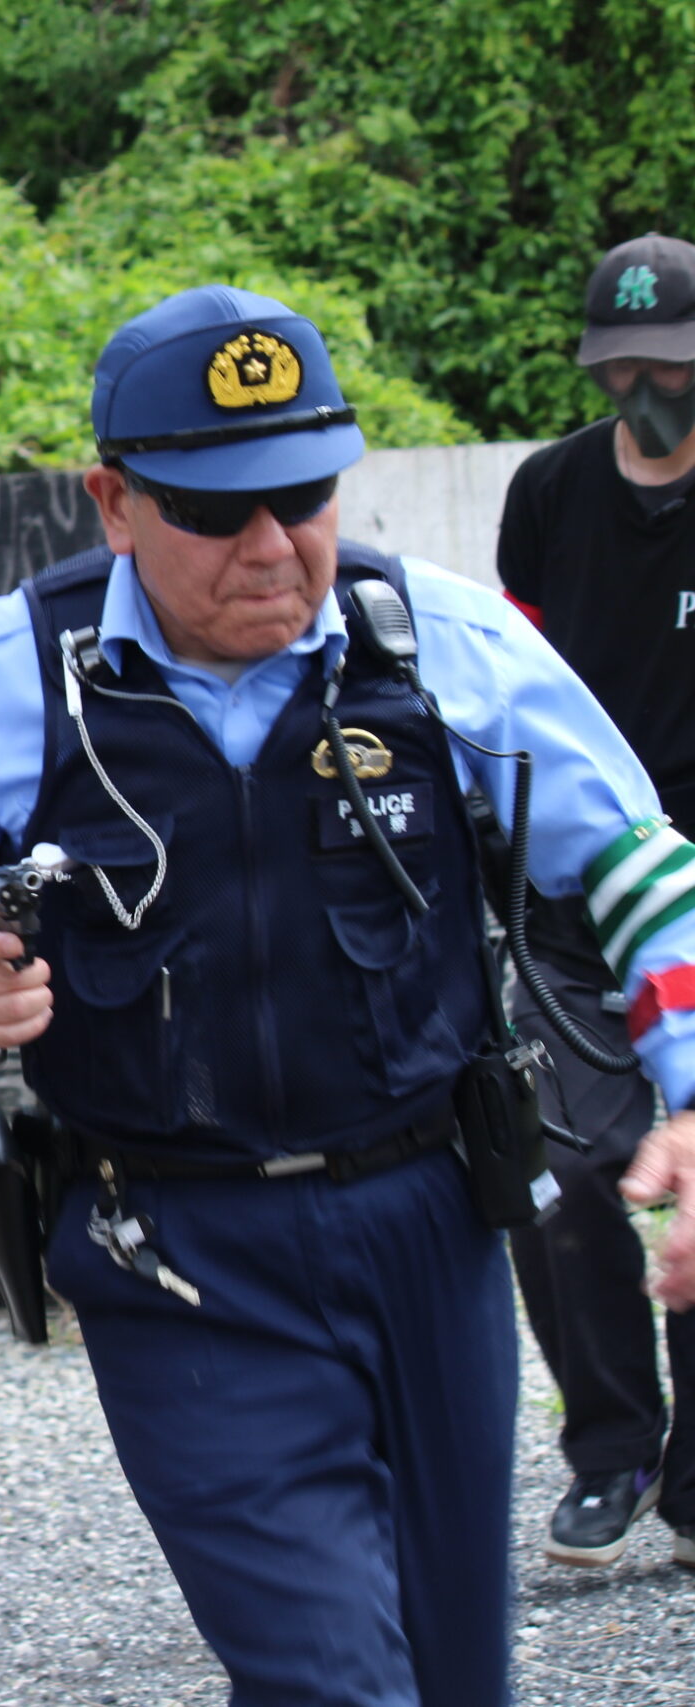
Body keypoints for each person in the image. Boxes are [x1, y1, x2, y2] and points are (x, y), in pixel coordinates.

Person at [0, 284, 695, 1706]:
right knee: (331, 1678)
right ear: (115, 503)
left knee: (458, 1678)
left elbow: (642, 862)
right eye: (217, 512)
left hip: (433, 1228)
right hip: (174, 1244)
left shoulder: (440, 644)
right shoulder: (2, 678)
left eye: (305, 495)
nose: (275, 547)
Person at [496, 231, 695, 1570]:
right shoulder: (549, 492)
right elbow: (511, 682)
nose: (645, 388)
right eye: (622, 365)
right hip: (570, 891)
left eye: (668, 365)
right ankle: (611, 1446)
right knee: (562, 1170)